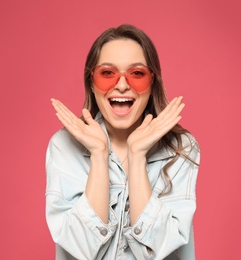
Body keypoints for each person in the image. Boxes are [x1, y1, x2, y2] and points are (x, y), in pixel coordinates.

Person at [45, 24, 200, 260]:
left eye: (136, 73)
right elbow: (80, 249)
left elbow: (160, 249)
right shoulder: (64, 146)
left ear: (152, 82)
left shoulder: (180, 149)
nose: (122, 84)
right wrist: (99, 154)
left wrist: (137, 157)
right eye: (107, 73)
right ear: (92, 82)